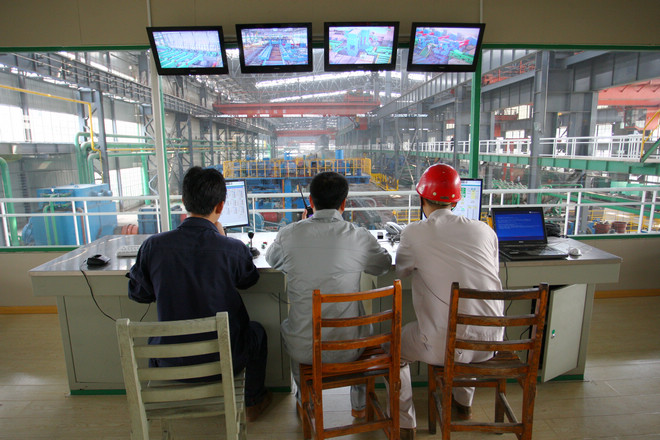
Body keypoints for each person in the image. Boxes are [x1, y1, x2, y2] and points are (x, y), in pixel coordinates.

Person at [127, 166, 271, 421]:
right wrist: (222, 239)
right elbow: (249, 280)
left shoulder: (153, 246)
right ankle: (252, 403)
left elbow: (138, 294)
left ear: (184, 201)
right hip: (224, 359)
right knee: (257, 332)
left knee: (156, 337)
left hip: (170, 361)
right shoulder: (232, 248)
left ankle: (164, 400)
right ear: (221, 206)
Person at [265, 171, 392, 418]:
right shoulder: (359, 236)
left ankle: (306, 403)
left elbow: (272, 259)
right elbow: (383, 265)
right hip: (351, 348)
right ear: (344, 203)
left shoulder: (289, 234)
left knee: (292, 328)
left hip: (305, 349)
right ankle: (359, 406)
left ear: (311, 201)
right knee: (360, 324)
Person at [395, 164, 504, 440]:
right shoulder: (485, 231)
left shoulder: (414, 233)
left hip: (444, 346)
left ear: (422, 198)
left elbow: (401, 271)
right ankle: (463, 405)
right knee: (467, 317)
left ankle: (405, 423)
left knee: (394, 348)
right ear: (456, 200)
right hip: (490, 341)